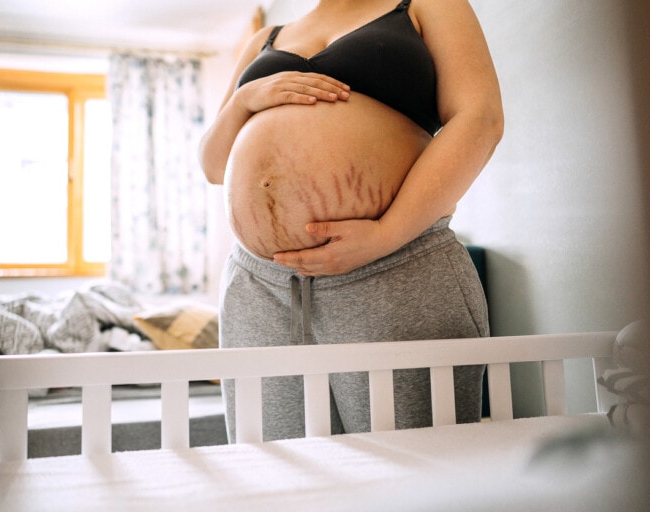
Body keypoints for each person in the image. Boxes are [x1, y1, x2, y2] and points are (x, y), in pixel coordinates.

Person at [198, 0, 503, 442]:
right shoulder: (264, 39)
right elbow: (212, 165)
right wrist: (245, 99)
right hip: (260, 282)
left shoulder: (427, 5)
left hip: (394, 265)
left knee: (416, 466)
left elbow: (480, 118)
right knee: (273, 469)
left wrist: (386, 233)